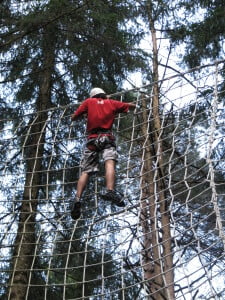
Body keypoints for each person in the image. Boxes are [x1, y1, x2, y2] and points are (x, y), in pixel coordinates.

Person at [70, 87, 136, 220]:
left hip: (92, 140)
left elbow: (73, 117)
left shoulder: (88, 102)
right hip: (107, 138)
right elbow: (131, 106)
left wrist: (85, 115)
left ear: (93, 96)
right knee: (109, 162)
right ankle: (110, 190)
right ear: (103, 95)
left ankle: (77, 198)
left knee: (86, 171)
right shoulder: (111, 102)